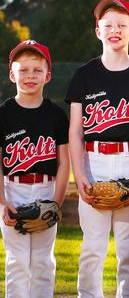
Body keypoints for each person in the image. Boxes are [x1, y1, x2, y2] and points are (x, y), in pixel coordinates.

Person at [67, 0, 129, 298]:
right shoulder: (84, 75)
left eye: (122, 25)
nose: (115, 30)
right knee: (93, 248)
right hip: (94, 161)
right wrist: (79, 175)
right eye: (108, 25)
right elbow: (75, 131)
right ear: (98, 32)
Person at [0, 40, 69, 298]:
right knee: (17, 260)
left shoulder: (56, 115)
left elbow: (64, 164)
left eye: (37, 70)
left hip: (45, 188)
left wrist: (56, 203)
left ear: (48, 75)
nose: (30, 76)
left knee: (43, 261)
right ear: (11, 74)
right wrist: (2, 201)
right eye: (24, 69)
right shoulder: (3, 114)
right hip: (13, 189)